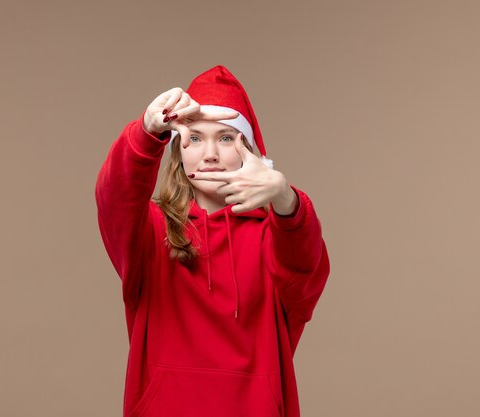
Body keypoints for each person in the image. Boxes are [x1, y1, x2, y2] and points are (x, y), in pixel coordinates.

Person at [95, 65, 330, 417]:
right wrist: (145, 131)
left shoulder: (274, 237)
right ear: (178, 151)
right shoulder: (152, 231)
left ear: (250, 150)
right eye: (193, 138)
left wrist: (286, 198)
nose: (209, 154)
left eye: (225, 138)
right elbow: (114, 197)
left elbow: (306, 266)